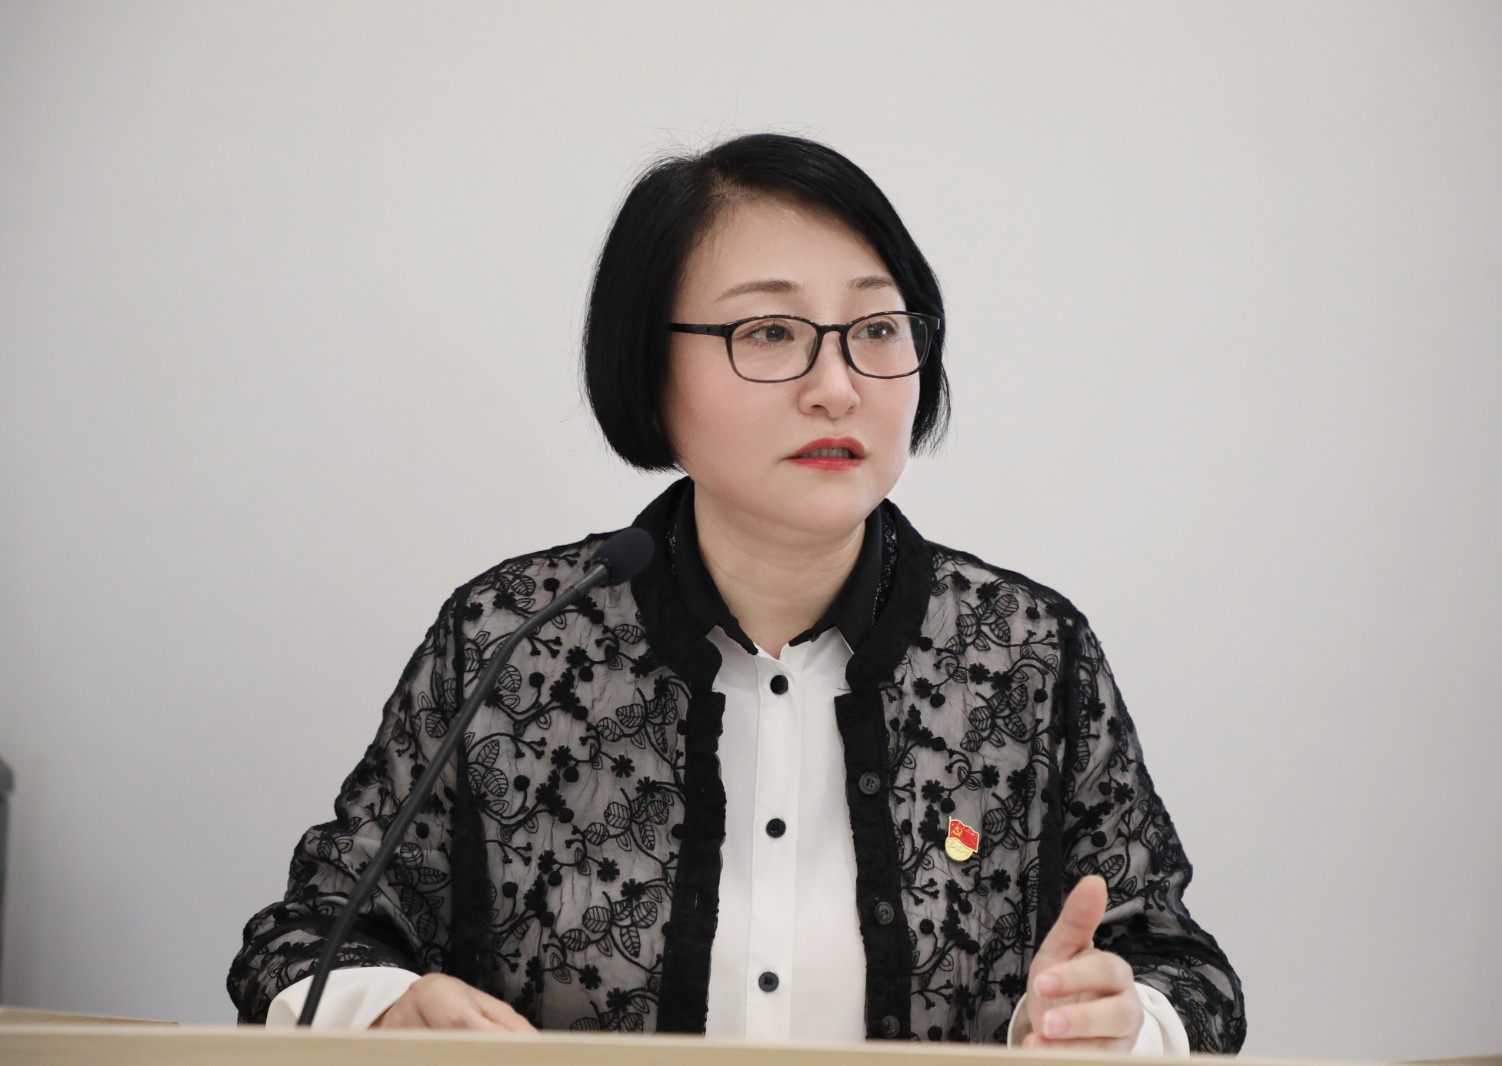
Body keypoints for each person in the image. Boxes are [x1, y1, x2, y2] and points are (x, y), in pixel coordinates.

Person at [227, 133, 1245, 1054]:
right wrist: (389, 1009)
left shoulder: (1028, 653)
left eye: (876, 327)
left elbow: (1182, 970)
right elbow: (305, 940)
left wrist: (1115, 1023)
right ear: (647, 366)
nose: (837, 386)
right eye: (768, 332)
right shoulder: (512, 639)